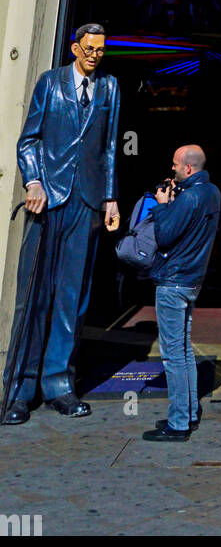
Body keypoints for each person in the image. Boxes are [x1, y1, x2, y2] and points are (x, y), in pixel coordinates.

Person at [2, 23, 120, 425]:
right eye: (89, 48)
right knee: (33, 298)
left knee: (73, 299)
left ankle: (59, 385)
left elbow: (108, 148)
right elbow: (28, 140)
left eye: (101, 50)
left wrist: (110, 198)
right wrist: (33, 181)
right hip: (47, 202)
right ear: (74, 47)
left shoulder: (109, 88)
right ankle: (19, 389)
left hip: (86, 203)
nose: (95, 55)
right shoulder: (49, 83)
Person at [143, 144, 221, 442]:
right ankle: (187, 414)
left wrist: (163, 204)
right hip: (192, 280)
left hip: (174, 282)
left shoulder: (189, 197)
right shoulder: (211, 192)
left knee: (173, 356)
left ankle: (178, 424)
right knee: (185, 351)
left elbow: (164, 235)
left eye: (175, 164)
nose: (172, 169)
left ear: (188, 168)